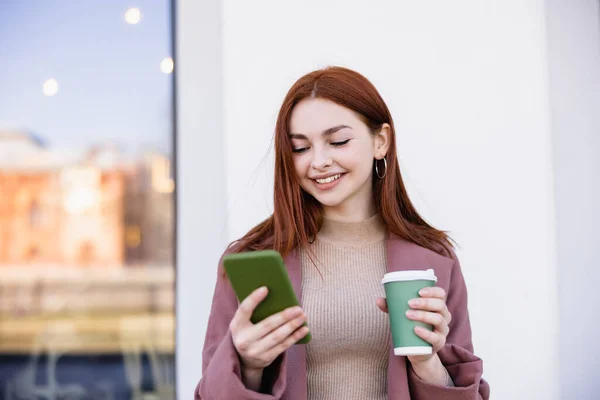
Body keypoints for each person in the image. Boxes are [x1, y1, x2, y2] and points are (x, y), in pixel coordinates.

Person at [195, 66, 490, 399]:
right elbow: (210, 393)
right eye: (300, 148)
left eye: (338, 141)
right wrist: (247, 364)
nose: (318, 161)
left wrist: (427, 363)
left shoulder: (434, 259)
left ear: (381, 141)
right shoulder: (250, 259)